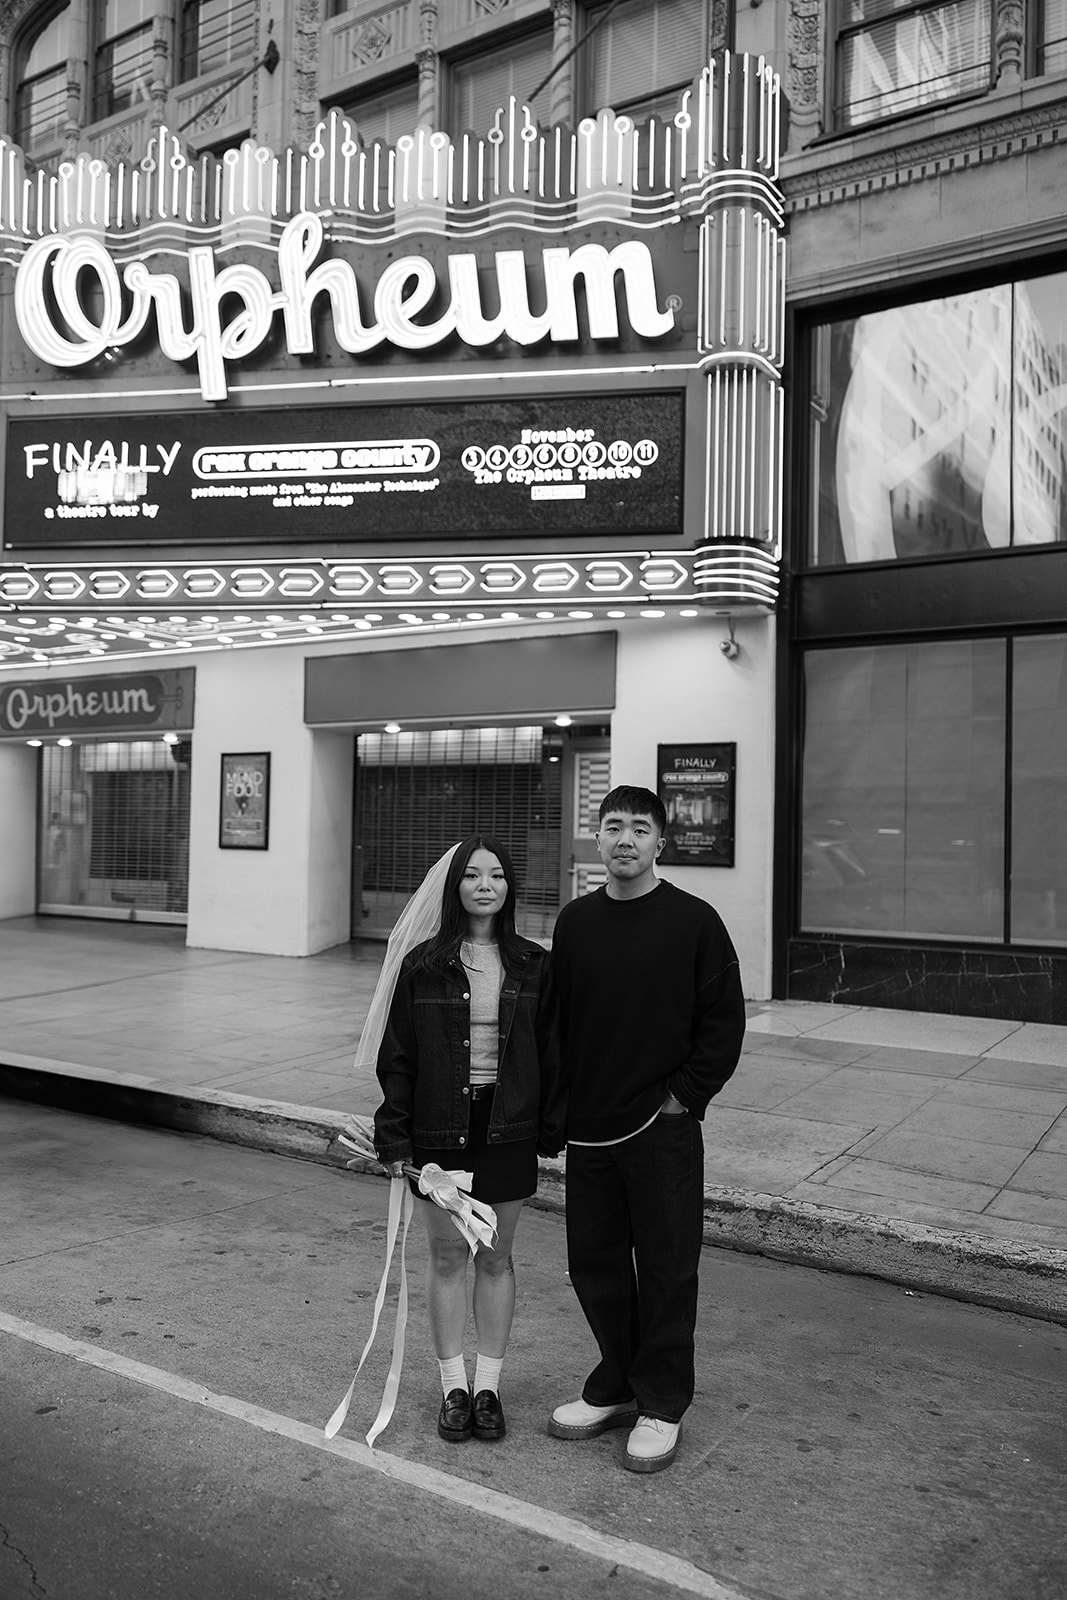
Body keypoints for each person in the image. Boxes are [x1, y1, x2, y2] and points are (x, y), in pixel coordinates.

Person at [548, 784, 745, 1473]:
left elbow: (722, 1023)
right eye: (611, 828)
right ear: (596, 840)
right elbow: (557, 1025)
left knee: (665, 1269)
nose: (623, 839)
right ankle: (615, 1381)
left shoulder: (693, 922)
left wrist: (682, 1098)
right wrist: (557, 1110)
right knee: (594, 1267)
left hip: (660, 1129)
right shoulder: (574, 922)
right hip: (590, 1130)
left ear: (660, 841)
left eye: (638, 828)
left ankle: (660, 1403)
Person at [371, 836, 563, 1445]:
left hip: (507, 1128)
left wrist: (553, 1127)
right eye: (473, 875)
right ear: (454, 887)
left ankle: (489, 1389)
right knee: (449, 1256)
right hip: (439, 1130)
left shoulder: (534, 963)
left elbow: (554, 1053)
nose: (486, 885)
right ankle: (453, 1385)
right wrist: (395, 1138)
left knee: (497, 1255)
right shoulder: (423, 965)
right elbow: (398, 1058)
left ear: (510, 888)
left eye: (498, 875)